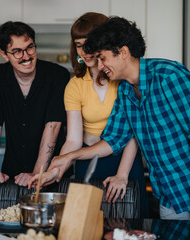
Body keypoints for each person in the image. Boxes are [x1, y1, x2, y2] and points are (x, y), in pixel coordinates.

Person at [30, 17, 190, 240]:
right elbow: (113, 140)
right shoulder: (125, 91)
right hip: (170, 191)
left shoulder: (170, 76)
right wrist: (68, 157)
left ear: (123, 52)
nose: (100, 66)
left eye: (103, 58)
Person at [29, 12, 148, 216]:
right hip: (87, 159)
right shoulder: (74, 85)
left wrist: (122, 174)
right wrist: (54, 170)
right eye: (78, 44)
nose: (84, 51)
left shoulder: (122, 79)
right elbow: (74, 139)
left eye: (89, 43)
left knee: (127, 224)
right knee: (85, 224)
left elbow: (133, 132)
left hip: (124, 159)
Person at [0, 21, 70, 187]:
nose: (26, 56)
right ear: (4, 54)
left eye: (30, 47)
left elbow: (53, 126)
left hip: (51, 173)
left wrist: (38, 172)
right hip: (12, 174)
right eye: (17, 51)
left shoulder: (57, 75)